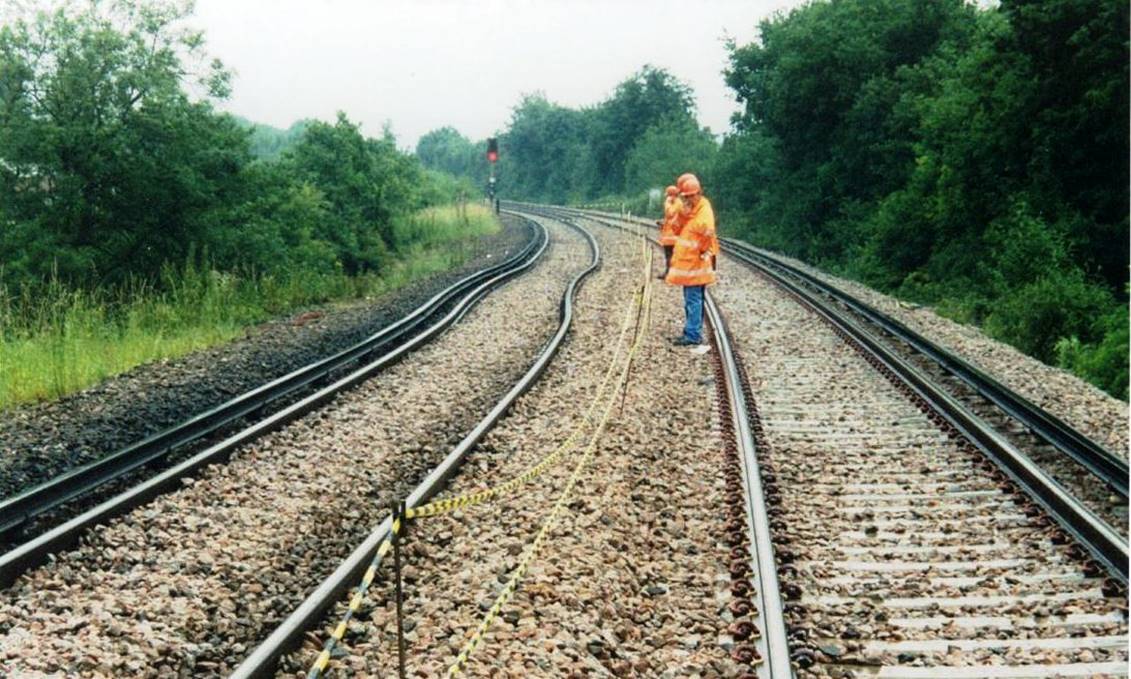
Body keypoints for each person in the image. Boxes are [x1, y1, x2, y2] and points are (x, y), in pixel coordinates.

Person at [664, 173, 718, 347]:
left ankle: (693, 334)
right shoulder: (692, 210)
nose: (688, 199)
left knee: (693, 299)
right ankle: (691, 331)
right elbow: (677, 228)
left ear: (698, 193)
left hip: (695, 264)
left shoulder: (703, 211)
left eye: (690, 196)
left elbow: (707, 233)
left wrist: (702, 251)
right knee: (692, 298)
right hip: (690, 264)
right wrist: (682, 213)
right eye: (685, 197)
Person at [656, 185, 681, 278]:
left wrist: (667, 203)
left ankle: (670, 274)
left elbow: (670, 214)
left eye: (668, 196)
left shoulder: (676, 203)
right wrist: (663, 223)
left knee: (670, 255)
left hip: (672, 236)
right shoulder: (675, 203)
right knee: (669, 255)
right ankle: (670, 272)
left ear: (672, 195)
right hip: (671, 235)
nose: (666, 198)